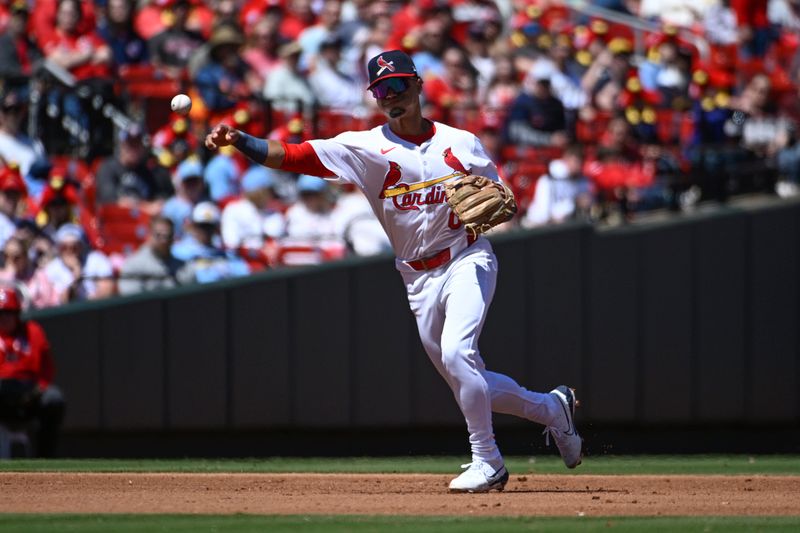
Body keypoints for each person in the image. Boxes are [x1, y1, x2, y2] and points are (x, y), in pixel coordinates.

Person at [205, 49, 583, 493]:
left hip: (466, 257)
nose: (391, 96)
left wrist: (496, 201)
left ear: (419, 85)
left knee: (460, 356)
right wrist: (239, 140)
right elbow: (295, 155)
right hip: (416, 277)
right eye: (382, 90)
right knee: (467, 380)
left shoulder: (461, 143)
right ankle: (552, 408)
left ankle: (488, 461)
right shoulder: (365, 148)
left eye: (399, 84)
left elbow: (500, 199)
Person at [0, 285, 65, 457]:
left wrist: (39, 388)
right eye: (0, 313)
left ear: (17, 313)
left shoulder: (32, 331)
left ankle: (46, 458)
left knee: (54, 398)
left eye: (8, 313)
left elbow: (47, 368)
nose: (3, 318)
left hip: (29, 394)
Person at [172, 201, 250, 283]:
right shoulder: (179, 251)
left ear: (216, 229)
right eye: (201, 226)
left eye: (209, 227)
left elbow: (242, 272)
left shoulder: (224, 253)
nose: (205, 231)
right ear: (193, 226)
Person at [117, 216, 193, 296]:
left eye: (168, 236)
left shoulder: (183, 266)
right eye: (158, 235)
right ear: (149, 236)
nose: (164, 240)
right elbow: (132, 301)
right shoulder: (133, 265)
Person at [43, 223, 115, 303]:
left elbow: (107, 290)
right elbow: (63, 301)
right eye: (64, 247)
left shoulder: (96, 259)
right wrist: (76, 276)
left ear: (81, 246)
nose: (69, 251)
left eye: (74, 247)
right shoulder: (51, 269)